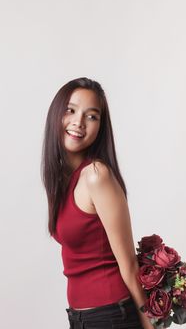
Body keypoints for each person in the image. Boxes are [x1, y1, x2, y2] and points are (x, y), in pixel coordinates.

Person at [41, 77, 154, 329]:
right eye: (71, 110)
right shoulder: (63, 179)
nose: (78, 123)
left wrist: (149, 324)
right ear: (56, 114)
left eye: (92, 116)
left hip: (111, 317)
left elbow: (128, 264)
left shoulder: (96, 175)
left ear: (101, 127)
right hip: (82, 318)